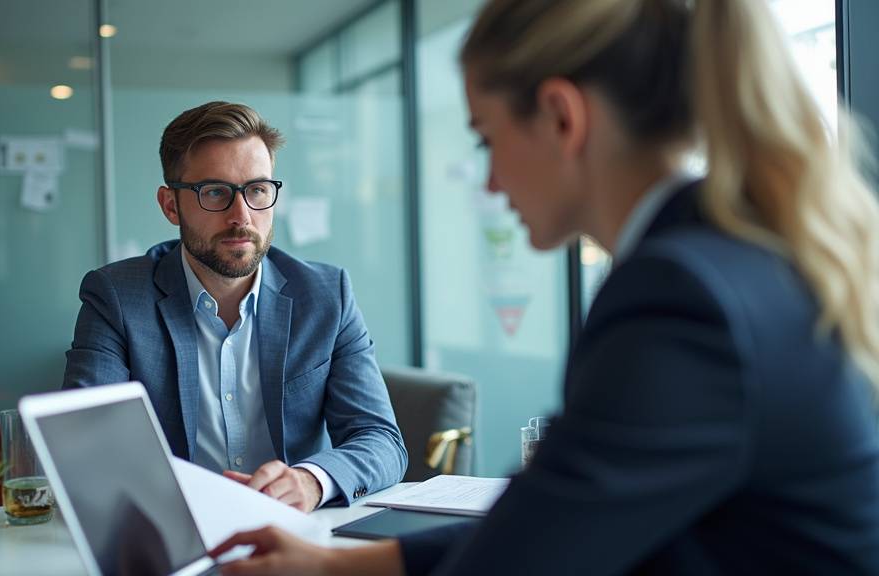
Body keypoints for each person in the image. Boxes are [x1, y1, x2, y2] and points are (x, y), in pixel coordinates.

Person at [207, 0, 879, 573]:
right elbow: (557, 520)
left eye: (486, 139)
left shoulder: (680, 297)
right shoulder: (733, 256)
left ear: (561, 117)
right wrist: (339, 564)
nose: (492, 182)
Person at [63, 101, 407, 513]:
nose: (241, 216)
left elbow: (380, 441)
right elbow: (87, 442)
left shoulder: (326, 295)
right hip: (176, 532)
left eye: (257, 190)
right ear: (171, 205)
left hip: (294, 533)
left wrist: (311, 481)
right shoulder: (116, 296)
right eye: (215, 193)